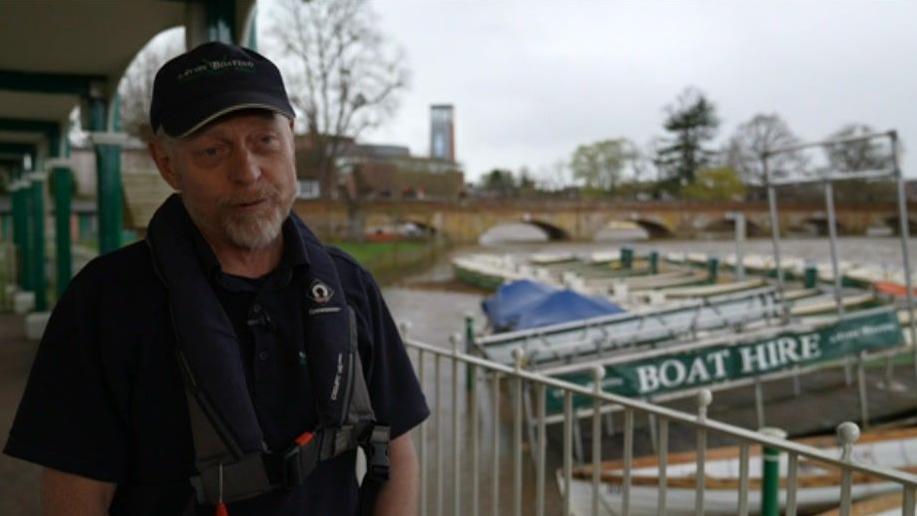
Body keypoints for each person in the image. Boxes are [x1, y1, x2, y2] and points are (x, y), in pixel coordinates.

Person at [4, 42, 428, 516]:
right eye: (212, 150)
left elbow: (399, 454)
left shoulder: (351, 288)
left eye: (264, 141)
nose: (247, 173)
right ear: (167, 164)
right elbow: (76, 493)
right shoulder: (104, 303)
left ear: (290, 138)